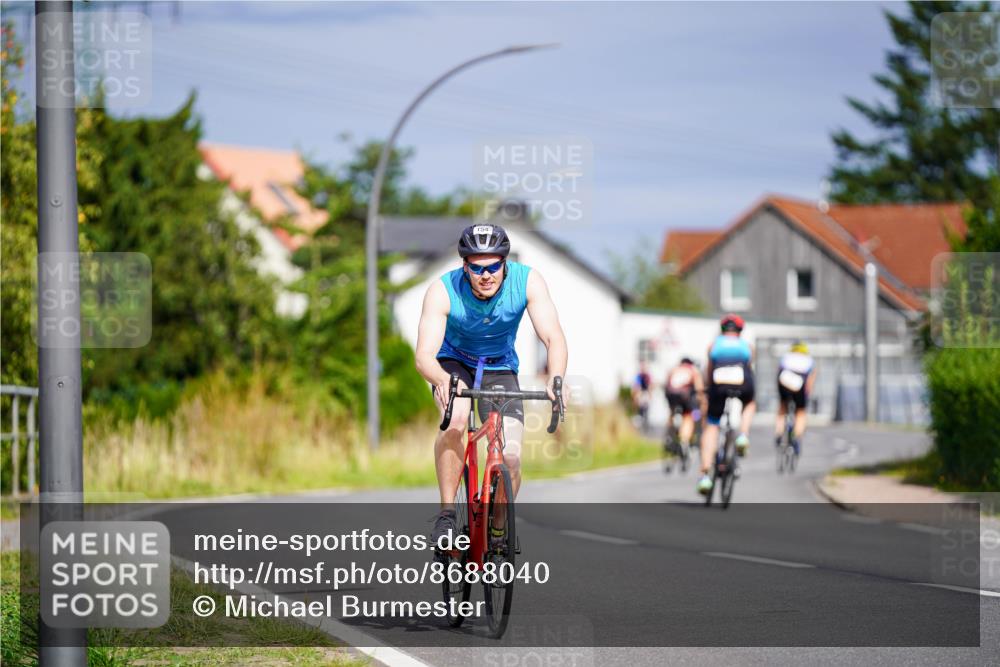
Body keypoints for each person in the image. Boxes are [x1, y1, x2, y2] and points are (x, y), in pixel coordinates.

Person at [414, 224, 569, 544]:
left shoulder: (528, 281)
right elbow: (424, 356)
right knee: (456, 420)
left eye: (494, 266)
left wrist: (556, 380)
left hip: (499, 367)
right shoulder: (442, 290)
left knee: (510, 456)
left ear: (505, 263)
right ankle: (446, 514)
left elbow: (553, 337)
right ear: (464, 266)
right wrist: (442, 380)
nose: (486, 275)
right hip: (453, 364)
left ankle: (498, 529)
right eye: (477, 268)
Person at [697, 314, 757, 495]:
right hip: (741, 380)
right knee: (750, 403)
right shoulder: (747, 346)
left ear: (722, 330)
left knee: (712, 425)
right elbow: (749, 367)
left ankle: (706, 476)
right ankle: (743, 436)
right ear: (740, 331)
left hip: (719, 381)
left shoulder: (713, 346)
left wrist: (707, 391)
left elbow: (708, 373)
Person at [774, 340, 816, 455]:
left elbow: (778, 372)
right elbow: (810, 380)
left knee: (782, 407)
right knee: (800, 411)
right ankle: (797, 438)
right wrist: (806, 394)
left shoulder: (787, 357)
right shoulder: (809, 360)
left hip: (784, 379)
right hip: (799, 382)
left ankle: (778, 434)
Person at [664, 356, 705, 454]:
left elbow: (666, 384)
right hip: (685, 397)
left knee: (672, 412)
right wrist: (702, 401)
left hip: (671, 395)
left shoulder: (674, 369)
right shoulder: (693, 370)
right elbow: (699, 389)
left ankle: (669, 435)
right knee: (688, 416)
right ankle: (684, 440)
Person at [632, 362, 653, 432]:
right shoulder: (638, 376)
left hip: (645, 394)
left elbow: (650, 386)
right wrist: (636, 397)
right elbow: (636, 387)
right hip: (640, 394)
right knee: (640, 411)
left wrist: (650, 395)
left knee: (646, 410)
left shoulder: (648, 376)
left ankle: (645, 424)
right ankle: (640, 425)